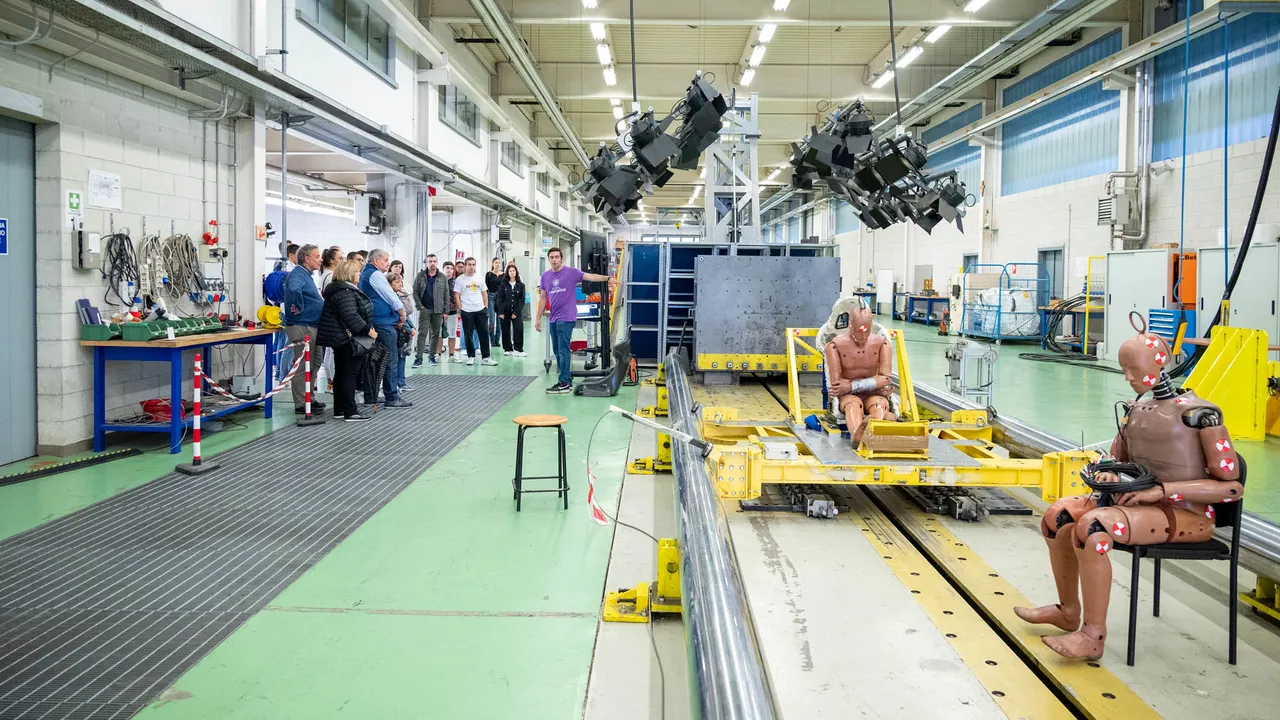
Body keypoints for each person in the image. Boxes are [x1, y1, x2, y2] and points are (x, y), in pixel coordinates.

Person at [1014, 321, 1243, 660]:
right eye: (1124, 370)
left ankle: (1093, 636)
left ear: (1158, 363)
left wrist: (1163, 491)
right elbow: (1116, 460)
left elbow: (1231, 488)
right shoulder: (1135, 411)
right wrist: (1109, 474)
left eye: (1134, 369)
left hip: (1188, 515)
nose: (1128, 377)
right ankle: (1068, 611)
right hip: (1140, 506)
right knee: (1057, 516)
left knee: (1093, 527)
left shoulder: (1201, 415)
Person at [534, 247, 613, 393]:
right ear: (549, 259)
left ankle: (563, 383)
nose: (554, 260)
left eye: (557, 257)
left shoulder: (571, 273)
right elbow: (543, 297)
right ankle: (567, 380)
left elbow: (590, 276)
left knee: (563, 350)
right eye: (552, 257)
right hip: (553, 318)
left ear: (561, 258)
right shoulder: (545, 276)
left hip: (566, 317)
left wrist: (607, 278)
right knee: (557, 350)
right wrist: (538, 317)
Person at [824, 301, 896, 443]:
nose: (863, 337)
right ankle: (858, 436)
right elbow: (837, 385)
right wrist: (874, 383)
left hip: (874, 393)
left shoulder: (882, 344)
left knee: (879, 404)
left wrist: (853, 386)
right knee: (853, 405)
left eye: (866, 332)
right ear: (851, 325)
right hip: (849, 396)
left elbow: (886, 379)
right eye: (859, 332)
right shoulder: (835, 346)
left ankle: (876, 423)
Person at [317, 260, 376, 422]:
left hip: (339, 338)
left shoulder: (339, 290)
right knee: (349, 374)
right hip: (347, 339)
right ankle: (350, 411)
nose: (359, 274)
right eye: (357, 271)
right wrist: (368, 330)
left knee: (341, 373)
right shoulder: (345, 292)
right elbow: (350, 316)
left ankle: (340, 409)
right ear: (349, 274)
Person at [358, 249, 411, 408]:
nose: (388, 263)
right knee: (390, 360)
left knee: (373, 361)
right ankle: (392, 397)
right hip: (383, 322)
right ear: (376, 261)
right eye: (386, 260)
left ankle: (371, 396)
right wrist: (401, 311)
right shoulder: (375, 274)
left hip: (375, 322)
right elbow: (389, 294)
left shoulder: (366, 274)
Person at [283, 244, 326, 414]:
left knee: (314, 363)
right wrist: (298, 305)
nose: (320, 259)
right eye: (317, 256)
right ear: (307, 259)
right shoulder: (298, 274)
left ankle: (310, 398)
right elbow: (294, 289)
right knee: (302, 366)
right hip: (302, 326)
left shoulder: (306, 275)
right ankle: (301, 403)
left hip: (312, 325)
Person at [454, 257, 498, 366]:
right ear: (465, 266)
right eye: (469, 264)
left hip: (480, 310)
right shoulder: (460, 280)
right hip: (466, 310)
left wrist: (485, 308)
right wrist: (460, 308)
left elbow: (484, 293)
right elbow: (456, 295)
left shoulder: (479, 278)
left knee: (484, 334)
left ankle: (486, 358)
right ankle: (471, 357)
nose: (471, 267)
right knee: (468, 334)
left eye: (473, 264)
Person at [413, 254, 448, 367]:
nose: (432, 263)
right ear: (426, 263)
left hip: (438, 310)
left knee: (435, 334)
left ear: (437, 263)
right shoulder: (420, 276)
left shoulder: (442, 277)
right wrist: (420, 307)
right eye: (430, 261)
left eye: (434, 261)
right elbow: (415, 291)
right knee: (422, 333)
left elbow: (446, 294)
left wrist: (446, 311)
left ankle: (432, 357)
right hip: (425, 309)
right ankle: (418, 358)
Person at [318, 248, 343, 392]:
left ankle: (331, 383)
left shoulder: (327, 274)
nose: (342, 261)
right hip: (332, 317)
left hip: (329, 315)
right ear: (332, 260)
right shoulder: (330, 276)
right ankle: (332, 382)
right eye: (340, 258)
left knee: (330, 352)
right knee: (332, 353)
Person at [390, 271, 416, 393]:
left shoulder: (398, 296)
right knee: (396, 358)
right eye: (397, 282)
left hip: (403, 330)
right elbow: (399, 317)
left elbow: (405, 315)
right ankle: (396, 384)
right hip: (396, 330)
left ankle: (401, 381)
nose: (400, 284)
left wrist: (412, 327)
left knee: (402, 356)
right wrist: (409, 329)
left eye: (401, 282)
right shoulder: (390, 297)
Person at [496, 263, 527, 357]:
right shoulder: (503, 285)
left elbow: (522, 299)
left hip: (516, 311)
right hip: (505, 311)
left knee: (519, 329)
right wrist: (500, 312)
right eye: (510, 271)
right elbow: (499, 298)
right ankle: (508, 349)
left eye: (513, 271)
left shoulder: (521, 285)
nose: (512, 272)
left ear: (516, 272)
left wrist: (516, 312)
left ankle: (518, 349)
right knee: (505, 329)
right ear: (507, 273)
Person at [442, 261, 462, 362]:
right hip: (439, 312)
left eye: (451, 268)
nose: (449, 270)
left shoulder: (456, 282)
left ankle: (451, 355)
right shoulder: (439, 281)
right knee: (439, 334)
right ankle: (437, 354)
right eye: (447, 268)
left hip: (452, 311)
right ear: (443, 269)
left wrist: (459, 308)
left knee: (452, 333)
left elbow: (459, 296)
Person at [486, 258, 504, 348]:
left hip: (500, 298)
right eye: (496, 262)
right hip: (491, 297)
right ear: (493, 263)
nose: (498, 264)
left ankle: (497, 340)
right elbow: (486, 288)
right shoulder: (489, 274)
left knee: (500, 320)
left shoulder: (503, 275)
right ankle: (492, 340)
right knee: (492, 320)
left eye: (499, 263)